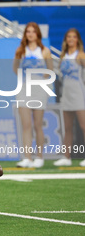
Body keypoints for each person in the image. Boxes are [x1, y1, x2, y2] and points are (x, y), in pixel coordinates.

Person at [13, 22, 53, 168]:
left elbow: (50, 71)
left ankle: (40, 157)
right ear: (25, 34)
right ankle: (27, 158)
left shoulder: (45, 51)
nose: (30, 34)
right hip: (24, 89)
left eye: (33, 32)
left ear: (38, 34)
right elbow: (15, 68)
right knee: (26, 125)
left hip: (39, 90)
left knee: (37, 125)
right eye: (28, 32)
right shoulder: (20, 51)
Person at [54, 28, 85, 167]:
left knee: (84, 126)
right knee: (67, 127)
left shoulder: (81, 55)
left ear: (77, 39)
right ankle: (66, 157)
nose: (71, 39)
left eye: (73, 37)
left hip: (78, 93)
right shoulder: (63, 56)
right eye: (68, 37)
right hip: (66, 94)